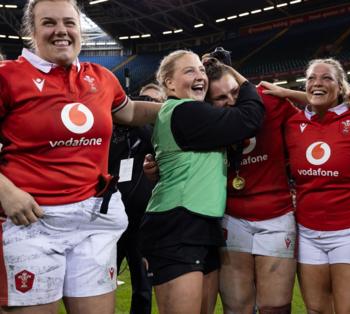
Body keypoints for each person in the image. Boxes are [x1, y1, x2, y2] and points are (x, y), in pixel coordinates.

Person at [0, 0, 160, 313]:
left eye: (69, 23)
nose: (61, 31)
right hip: (31, 221)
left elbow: (128, 111)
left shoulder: (100, 77)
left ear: (80, 31)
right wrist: (5, 191)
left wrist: (179, 108)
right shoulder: (7, 77)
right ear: (31, 31)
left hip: (93, 222)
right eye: (49, 23)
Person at [139, 50, 264, 314]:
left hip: (198, 221)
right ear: (169, 83)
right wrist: (242, 81)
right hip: (177, 223)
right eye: (189, 71)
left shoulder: (187, 112)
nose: (200, 76)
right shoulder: (185, 112)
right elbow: (249, 118)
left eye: (201, 70)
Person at [263, 58, 350, 314]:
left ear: (341, 85)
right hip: (308, 232)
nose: (317, 83)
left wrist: (289, 92)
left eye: (327, 78)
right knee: (317, 310)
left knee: (349, 310)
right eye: (312, 78)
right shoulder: (292, 122)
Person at [202, 56, 299, 314]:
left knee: (274, 307)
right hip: (231, 217)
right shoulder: (205, 120)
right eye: (220, 98)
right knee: (236, 307)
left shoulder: (269, 101)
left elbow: (316, 111)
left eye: (234, 91)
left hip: (276, 217)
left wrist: (287, 92)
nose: (231, 101)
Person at [110, 83, 163, 314]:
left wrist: (140, 118)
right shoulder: (117, 134)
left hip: (142, 222)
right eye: (144, 100)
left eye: (154, 102)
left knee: (143, 285)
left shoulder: (156, 135)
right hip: (111, 221)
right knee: (99, 280)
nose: (148, 105)